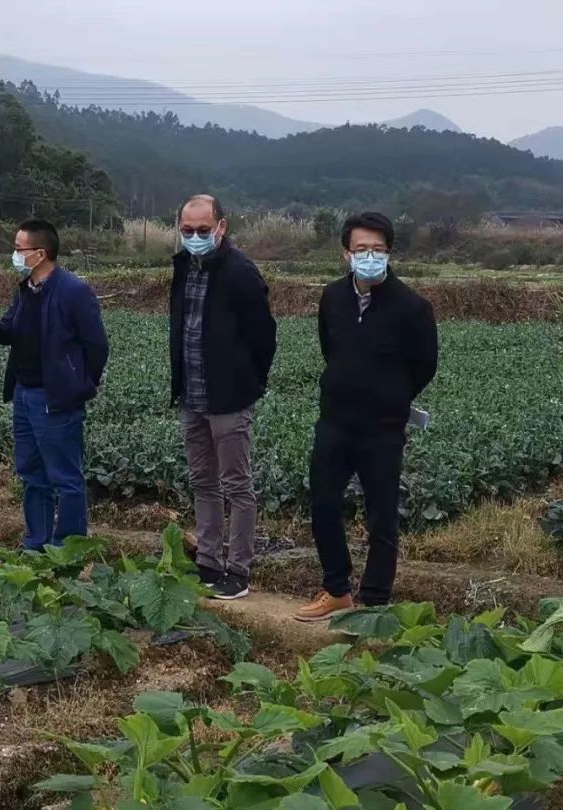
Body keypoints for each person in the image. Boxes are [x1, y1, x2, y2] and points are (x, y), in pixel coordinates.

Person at [295, 212, 438, 622]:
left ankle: (374, 602)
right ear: (346, 254)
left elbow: (424, 365)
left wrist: (390, 397)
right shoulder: (331, 297)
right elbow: (330, 348)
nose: (370, 257)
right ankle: (336, 588)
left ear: (389, 252)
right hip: (335, 420)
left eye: (377, 250)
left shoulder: (413, 307)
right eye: (361, 250)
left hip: (383, 426)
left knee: (381, 514)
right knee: (323, 502)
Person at [0, 219, 108, 550]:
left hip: (56, 399)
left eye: (18, 249)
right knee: (31, 474)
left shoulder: (73, 290)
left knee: (65, 478)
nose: (14, 254)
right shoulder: (26, 289)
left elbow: (97, 346)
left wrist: (81, 385)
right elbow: (13, 331)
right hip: (24, 395)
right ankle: (36, 543)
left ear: (40, 253)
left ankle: (67, 549)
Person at [170, 194, 277, 600]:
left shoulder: (240, 272)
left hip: (229, 398)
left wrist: (250, 383)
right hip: (192, 396)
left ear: (221, 227)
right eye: (187, 231)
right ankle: (209, 560)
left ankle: (239, 568)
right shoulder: (183, 267)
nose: (194, 237)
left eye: (202, 230)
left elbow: (264, 337)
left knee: (236, 484)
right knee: (203, 481)